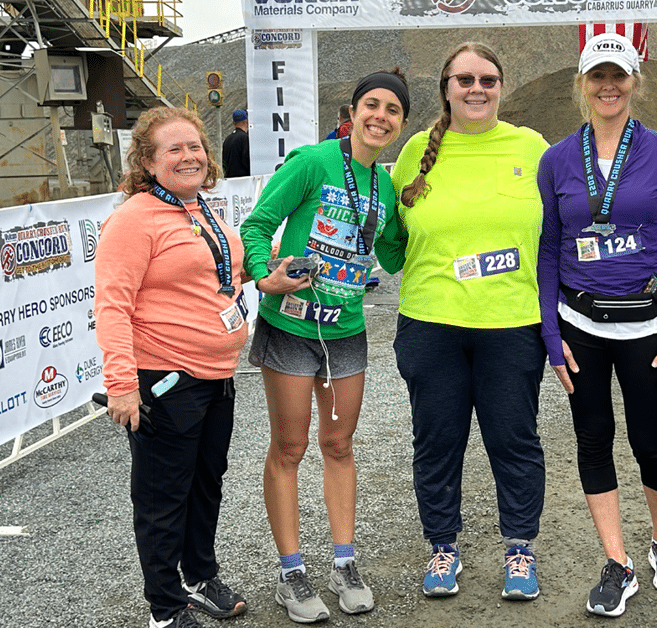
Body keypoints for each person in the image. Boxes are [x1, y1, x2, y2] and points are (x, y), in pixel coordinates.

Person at [240, 69, 410, 624]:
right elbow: (259, 223)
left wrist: (427, 218)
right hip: (291, 326)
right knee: (289, 448)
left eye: (392, 110)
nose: (380, 116)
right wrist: (265, 275)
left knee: (339, 445)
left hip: (346, 329)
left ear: (402, 123)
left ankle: (344, 562)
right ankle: (291, 570)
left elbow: (396, 254)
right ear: (353, 110)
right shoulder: (313, 162)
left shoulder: (384, 186)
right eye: (372, 105)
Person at [536, 33, 657, 618]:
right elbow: (549, 250)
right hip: (579, 325)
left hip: (649, 325)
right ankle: (617, 561)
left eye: (619, 75)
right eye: (597, 76)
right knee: (592, 438)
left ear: (635, 81)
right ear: (582, 83)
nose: (608, 86)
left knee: (651, 440)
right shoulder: (556, 159)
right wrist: (552, 339)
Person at [390, 41, 550, 603]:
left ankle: (520, 550)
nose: (476, 88)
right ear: (446, 89)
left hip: (511, 323)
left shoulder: (532, 149)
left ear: (501, 86)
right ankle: (442, 548)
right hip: (432, 323)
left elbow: (558, 232)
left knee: (514, 439)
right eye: (464, 79)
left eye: (487, 78)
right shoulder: (414, 152)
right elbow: (390, 237)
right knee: (437, 442)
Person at [95, 106, 250, 628]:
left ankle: (200, 575)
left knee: (207, 483)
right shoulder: (134, 219)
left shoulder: (199, 206)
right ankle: (165, 605)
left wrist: (263, 274)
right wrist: (121, 386)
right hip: (164, 380)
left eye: (195, 147)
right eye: (174, 150)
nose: (190, 157)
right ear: (147, 161)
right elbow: (112, 306)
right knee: (164, 497)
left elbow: (214, 275)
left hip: (217, 377)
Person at [221, 109, 250, 178]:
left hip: (230, 180)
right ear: (247, 122)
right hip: (243, 180)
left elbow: (224, 162)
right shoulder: (245, 138)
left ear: (233, 123)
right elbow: (246, 160)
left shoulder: (228, 139)